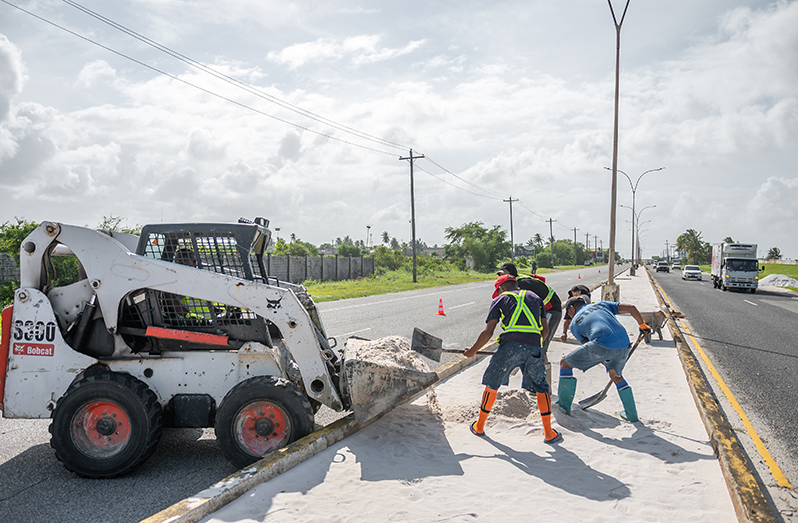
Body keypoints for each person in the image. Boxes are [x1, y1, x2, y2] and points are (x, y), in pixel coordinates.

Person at [464, 274, 562, 444]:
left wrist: (473, 351)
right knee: (541, 387)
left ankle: (479, 426)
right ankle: (548, 432)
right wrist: (535, 345)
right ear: (516, 284)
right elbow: (545, 330)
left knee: (492, 384)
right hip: (534, 346)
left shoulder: (500, 299)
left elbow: (488, 332)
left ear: (500, 288)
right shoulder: (535, 298)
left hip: (509, 345)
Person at [556, 297, 651, 422]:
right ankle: (631, 414)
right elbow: (631, 308)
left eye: (568, 312)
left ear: (572, 308)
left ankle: (563, 408)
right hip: (624, 345)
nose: (569, 316)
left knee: (565, 363)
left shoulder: (574, 324)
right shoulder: (602, 304)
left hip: (602, 344)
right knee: (616, 376)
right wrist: (642, 325)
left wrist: (604, 359)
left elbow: (590, 348)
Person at [496, 262, 562, 387]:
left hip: (551, 310)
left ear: (509, 275)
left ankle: (544, 386)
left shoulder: (521, 285)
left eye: (501, 274)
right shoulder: (517, 283)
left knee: (540, 347)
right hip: (544, 310)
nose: (499, 278)